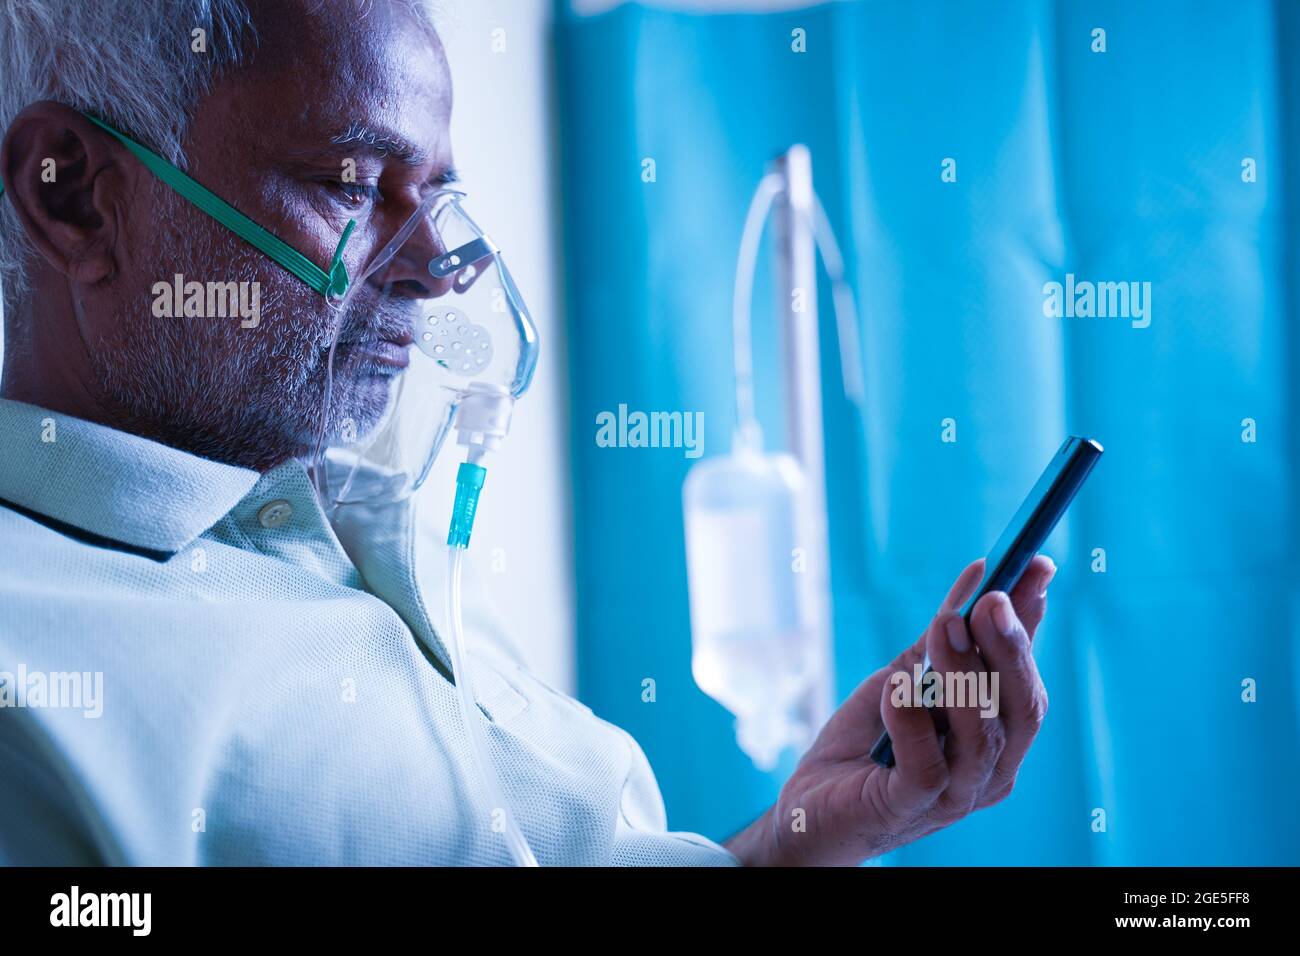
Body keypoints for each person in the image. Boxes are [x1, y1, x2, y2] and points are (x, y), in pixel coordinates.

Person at [0, 0, 1054, 866]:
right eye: (351, 185)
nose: (437, 265)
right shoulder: (34, 674)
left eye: (440, 194)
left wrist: (802, 834)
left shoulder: (379, 543)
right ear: (77, 198)